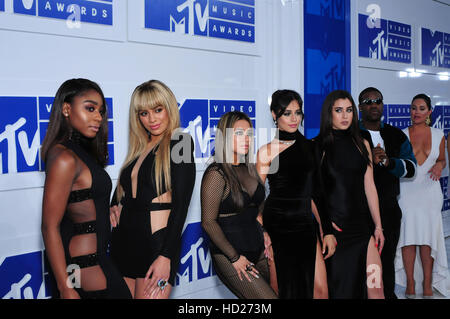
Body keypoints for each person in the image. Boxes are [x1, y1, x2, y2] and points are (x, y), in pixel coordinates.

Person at [41, 78, 132, 299]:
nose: (98, 117)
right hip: (85, 268)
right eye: (90, 108)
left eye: (100, 111)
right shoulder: (64, 157)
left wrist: (105, 210)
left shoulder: (79, 152)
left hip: (97, 261)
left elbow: (81, 203)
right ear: (66, 108)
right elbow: (49, 226)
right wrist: (65, 287)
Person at [109, 80, 195, 299]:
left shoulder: (181, 142)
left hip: (156, 246)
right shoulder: (138, 148)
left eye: (158, 110)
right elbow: (123, 189)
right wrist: (112, 207)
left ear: (169, 108)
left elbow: (181, 205)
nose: (152, 119)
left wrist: (166, 256)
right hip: (124, 244)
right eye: (143, 113)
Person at [256, 89, 337, 299]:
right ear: (274, 115)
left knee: (320, 290)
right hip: (277, 227)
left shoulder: (311, 148)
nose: (294, 119)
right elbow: (255, 199)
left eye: (298, 112)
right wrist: (262, 232)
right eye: (287, 113)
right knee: (281, 291)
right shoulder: (266, 152)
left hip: (304, 225)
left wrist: (326, 230)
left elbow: (316, 194)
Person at [316, 90, 385, 299]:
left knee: (376, 288)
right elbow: (313, 194)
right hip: (336, 234)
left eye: (349, 110)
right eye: (339, 110)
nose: (345, 116)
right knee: (343, 293)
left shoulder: (362, 142)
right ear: (330, 113)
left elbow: (370, 187)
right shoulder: (318, 146)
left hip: (362, 230)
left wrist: (378, 226)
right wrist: (325, 226)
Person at [200, 111, 277, 299]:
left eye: (249, 134)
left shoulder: (250, 168)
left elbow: (257, 207)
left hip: (258, 247)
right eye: (239, 133)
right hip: (229, 254)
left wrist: (264, 231)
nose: (246, 139)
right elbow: (208, 222)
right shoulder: (216, 173)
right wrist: (234, 257)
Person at [358, 87, 417, 299]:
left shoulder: (395, 135)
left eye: (378, 100)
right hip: (359, 212)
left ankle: (387, 295)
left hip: (390, 210)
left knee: (386, 261)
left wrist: (388, 162)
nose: (373, 105)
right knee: (363, 264)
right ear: (360, 107)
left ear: (382, 105)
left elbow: (412, 169)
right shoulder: (351, 135)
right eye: (368, 101)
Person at [395, 93, 450, 298]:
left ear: (429, 112)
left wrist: (439, 164)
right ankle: (410, 283)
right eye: (413, 108)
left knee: (428, 240)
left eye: (421, 108)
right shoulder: (400, 134)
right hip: (407, 192)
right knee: (407, 238)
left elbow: (443, 159)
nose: (415, 112)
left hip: (430, 192)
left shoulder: (439, 134)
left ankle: (427, 284)